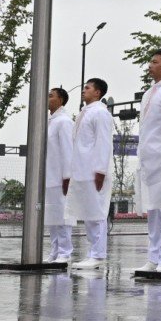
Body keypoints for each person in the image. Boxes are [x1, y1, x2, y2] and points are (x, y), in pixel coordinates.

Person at [69, 78, 114, 269]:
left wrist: (100, 170)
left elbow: (104, 142)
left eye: (87, 88)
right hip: (82, 169)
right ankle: (92, 253)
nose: (83, 90)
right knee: (88, 213)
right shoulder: (85, 112)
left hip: (94, 170)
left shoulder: (101, 113)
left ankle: (97, 255)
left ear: (98, 93)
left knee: (96, 213)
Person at [137, 50, 161, 272]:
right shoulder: (148, 93)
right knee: (153, 209)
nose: (149, 65)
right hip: (149, 156)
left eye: (155, 62)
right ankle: (154, 256)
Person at [45, 86, 75, 264]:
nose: (47, 98)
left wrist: (67, 176)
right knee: (52, 215)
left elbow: (68, 150)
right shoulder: (50, 121)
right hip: (50, 176)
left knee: (63, 215)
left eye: (51, 96)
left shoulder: (64, 121)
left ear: (61, 100)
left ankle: (65, 252)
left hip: (60, 177)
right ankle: (55, 251)